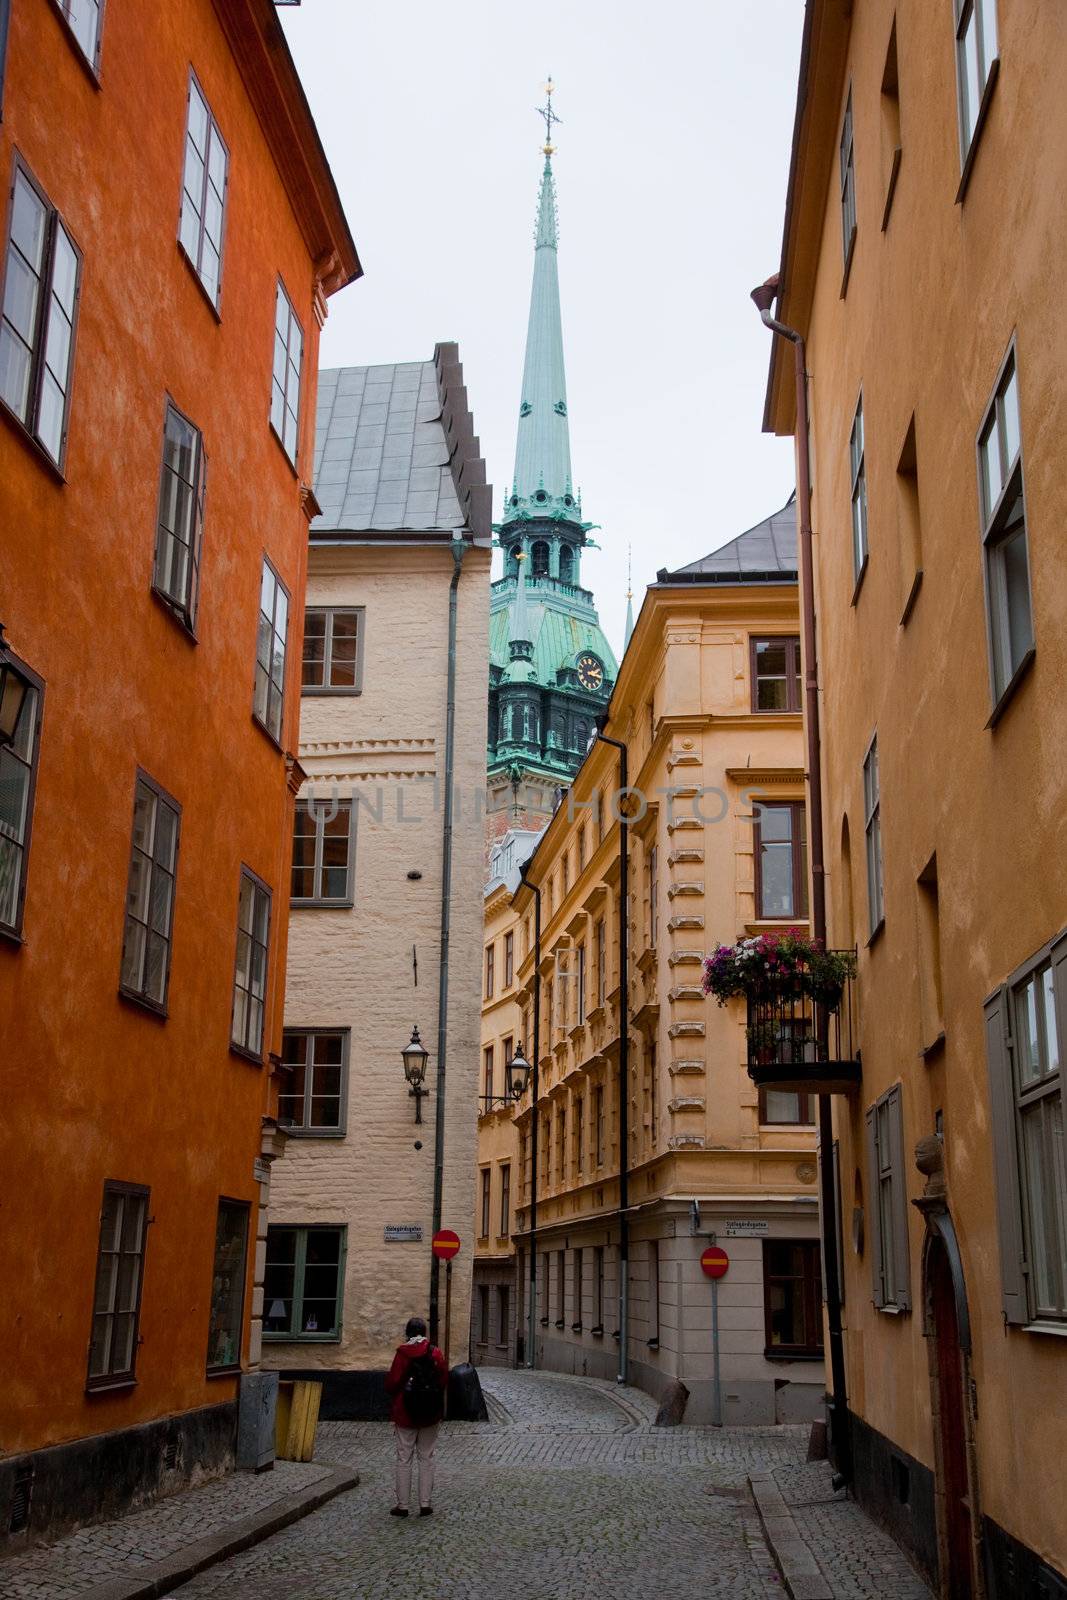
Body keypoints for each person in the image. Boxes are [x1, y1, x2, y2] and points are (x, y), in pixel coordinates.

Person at [383, 1315, 448, 1517]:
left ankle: (402, 1505)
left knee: (404, 1457)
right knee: (427, 1456)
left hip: (405, 1412)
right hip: (430, 1412)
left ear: (408, 1333)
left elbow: (392, 1383)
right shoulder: (435, 1353)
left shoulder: (403, 1353)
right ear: (425, 1333)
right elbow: (444, 1379)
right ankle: (425, 1503)